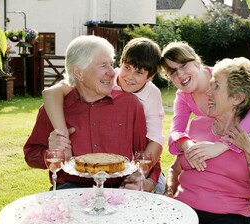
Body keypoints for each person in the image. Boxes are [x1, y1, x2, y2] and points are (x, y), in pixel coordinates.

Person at [159, 41, 250, 224]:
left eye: (216, 87)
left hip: (229, 216)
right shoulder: (195, 123)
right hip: (185, 212)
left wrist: (242, 149)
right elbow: (175, 159)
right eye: (172, 72)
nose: (208, 93)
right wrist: (171, 186)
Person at [24, 35, 161, 192]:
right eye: (103, 66)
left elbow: (146, 153)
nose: (112, 72)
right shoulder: (54, 109)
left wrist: (150, 179)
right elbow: (31, 155)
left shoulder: (131, 104)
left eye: (111, 64)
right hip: (70, 189)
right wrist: (52, 151)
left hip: (119, 189)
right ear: (79, 72)